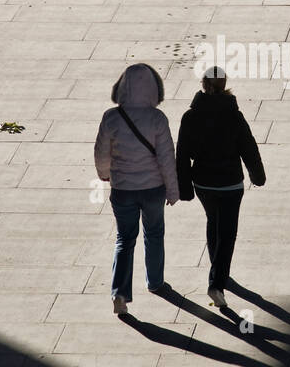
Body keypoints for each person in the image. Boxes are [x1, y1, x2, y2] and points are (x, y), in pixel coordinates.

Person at [176, 66, 266, 308]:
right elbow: (249, 148)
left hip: (203, 182)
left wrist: (184, 188)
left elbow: (182, 154)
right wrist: (257, 176)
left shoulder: (190, 116)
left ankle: (216, 267)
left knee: (213, 222)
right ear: (225, 84)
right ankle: (216, 284)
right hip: (230, 183)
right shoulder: (234, 115)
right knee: (228, 233)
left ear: (203, 85)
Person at [94, 63, 179, 315]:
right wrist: (173, 191)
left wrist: (105, 175)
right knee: (154, 234)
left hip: (122, 189)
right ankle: (155, 282)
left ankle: (119, 292)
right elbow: (166, 158)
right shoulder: (157, 119)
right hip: (153, 189)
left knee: (124, 239)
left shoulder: (111, 117)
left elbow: (101, 154)